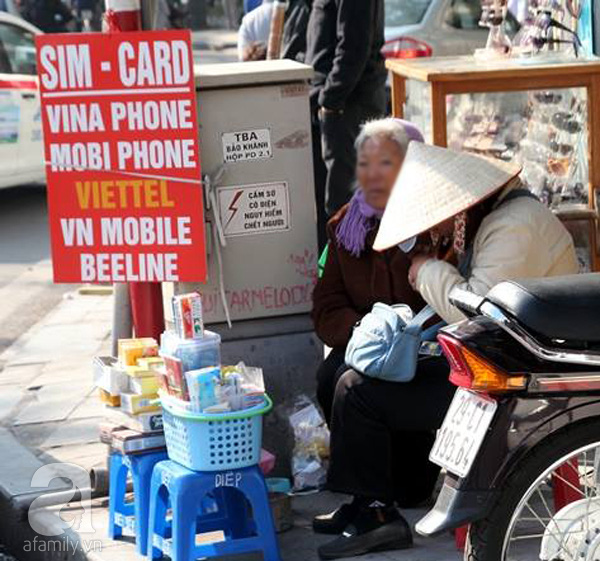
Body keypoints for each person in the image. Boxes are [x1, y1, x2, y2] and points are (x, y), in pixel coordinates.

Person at [315, 143, 578, 560]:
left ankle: (379, 516)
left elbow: (478, 306)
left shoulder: (512, 225)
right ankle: (379, 499)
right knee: (350, 375)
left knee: (358, 390)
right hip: (502, 363)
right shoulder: (502, 219)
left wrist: (427, 271)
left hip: (513, 380)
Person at [312, 118, 425, 425]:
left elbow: (449, 294)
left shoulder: (433, 218)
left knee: (363, 386)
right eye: (366, 163)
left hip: (423, 345)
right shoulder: (346, 224)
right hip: (364, 339)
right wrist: (367, 328)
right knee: (331, 378)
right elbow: (327, 306)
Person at [305, 0, 387, 244]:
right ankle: (334, 272)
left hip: (345, 108)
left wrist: (330, 100)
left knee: (342, 207)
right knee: (332, 205)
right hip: (334, 105)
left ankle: (345, 276)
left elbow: (353, 46)